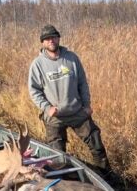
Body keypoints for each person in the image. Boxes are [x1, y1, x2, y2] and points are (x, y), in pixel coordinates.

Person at [28, 24, 110, 170]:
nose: (51, 40)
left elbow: (82, 83)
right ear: (43, 42)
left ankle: (107, 177)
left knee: (97, 145)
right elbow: (34, 91)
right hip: (55, 116)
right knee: (57, 158)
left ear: (58, 38)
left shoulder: (71, 58)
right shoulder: (38, 64)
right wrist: (47, 108)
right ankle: (63, 182)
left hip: (76, 111)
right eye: (47, 39)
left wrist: (86, 105)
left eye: (53, 37)